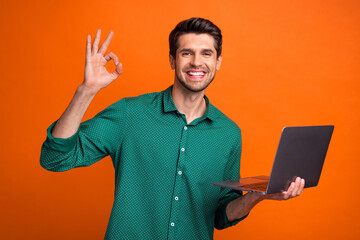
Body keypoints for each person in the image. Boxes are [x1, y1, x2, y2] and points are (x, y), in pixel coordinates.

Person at [40, 18, 305, 239]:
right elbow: (55, 158)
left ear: (218, 62)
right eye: (186, 53)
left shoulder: (228, 133)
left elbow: (220, 215)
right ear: (171, 59)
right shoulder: (130, 113)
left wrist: (258, 196)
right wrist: (86, 91)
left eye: (206, 54)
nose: (196, 63)